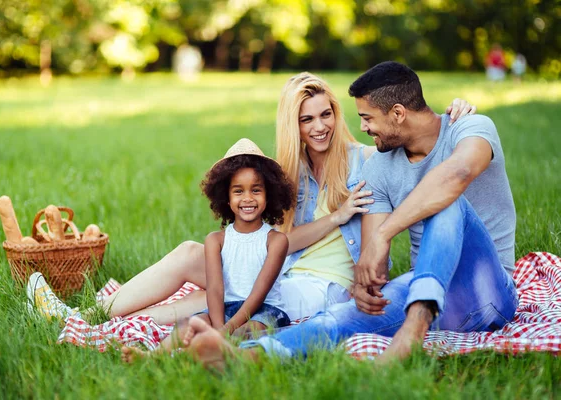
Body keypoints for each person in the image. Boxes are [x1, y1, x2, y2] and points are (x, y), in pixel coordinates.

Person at [26, 73, 477, 333]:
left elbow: (418, 150)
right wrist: (336, 217)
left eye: (326, 114)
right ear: (292, 125)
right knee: (194, 260)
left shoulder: (366, 162)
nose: (318, 127)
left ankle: (99, 323)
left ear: (337, 115)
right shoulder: (288, 175)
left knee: (212, 296)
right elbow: (282, 240)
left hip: (327, 286)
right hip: (283, 266)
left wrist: (452, 114)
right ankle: (90, 318)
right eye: (306, 119)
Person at [182, 61, 518, 368]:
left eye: (368, 118)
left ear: (398, 113)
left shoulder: (470, 127)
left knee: (449, 201)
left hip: (489, 291)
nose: (362, 127)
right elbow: (374, 260)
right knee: (338, 317)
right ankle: (248, 357)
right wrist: (364, 285)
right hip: (427, 293)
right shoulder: (381, 168)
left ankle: (412, 330)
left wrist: (387, 233)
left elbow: (456, 175)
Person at [117, 138, 295, 362]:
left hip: (265, 310)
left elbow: (259, 292)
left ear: (269, 195)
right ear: (226, 198)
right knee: (189, 324)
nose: (248, 198)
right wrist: (218, 325)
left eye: (256, 190)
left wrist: (228, 328)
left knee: (249, 329)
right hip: (225, 308)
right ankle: (154, 357)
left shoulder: (276, 241)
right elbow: (215, 289)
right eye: (238, 191)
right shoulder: (216, 240)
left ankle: (212, 352)